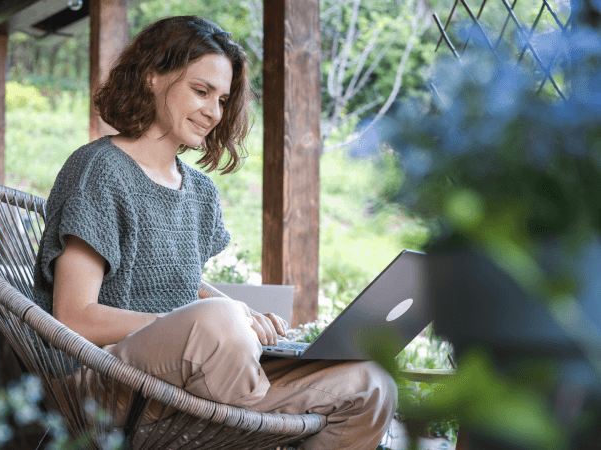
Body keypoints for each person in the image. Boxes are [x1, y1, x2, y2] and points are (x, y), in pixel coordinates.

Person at [32, 16, 397, 450]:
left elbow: (179, 283)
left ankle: (250, 407)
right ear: (152, 77)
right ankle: (254, 424)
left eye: (222, 99)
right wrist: (209, 323)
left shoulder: (199, 190)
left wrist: (238, 312)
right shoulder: (98, 169)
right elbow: (74, 316)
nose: (213, 111)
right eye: (200, 91)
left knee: (371, 384)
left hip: (189, 382)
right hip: (105, 384)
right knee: (217, 322)